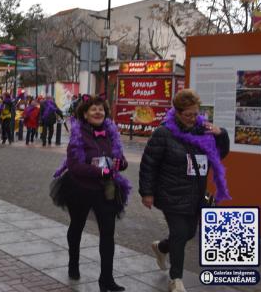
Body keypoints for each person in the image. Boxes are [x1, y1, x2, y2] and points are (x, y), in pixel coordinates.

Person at [139, 89, 230, 292]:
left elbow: (219, 154)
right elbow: (149, 163)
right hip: (171, 192)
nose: (192, 118)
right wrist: (147, 192)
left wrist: (221, 135)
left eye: (195, 114)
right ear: (177, 112)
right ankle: (176, 280)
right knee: (180, 232)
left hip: (196, 193)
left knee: (188, 232)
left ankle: (161, 247)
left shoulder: (202, 130)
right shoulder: (164, 133)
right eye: (188, 114)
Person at [52, 95, 130, 292]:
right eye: (93, 109)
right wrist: (99, 171)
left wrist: (121, 164)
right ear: (85, 114)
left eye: (101, 109)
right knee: (77, 226)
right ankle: (73, 263)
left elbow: (120, 159)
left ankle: (106, 280)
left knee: (108, 233)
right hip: (80, 188)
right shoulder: (78, 135)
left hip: (105, 190)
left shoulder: (111, 133)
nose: (98, 112)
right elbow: (75, 165)